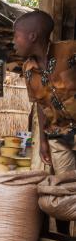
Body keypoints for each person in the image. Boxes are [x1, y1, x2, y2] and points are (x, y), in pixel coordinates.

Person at [14, 10, 76, 175]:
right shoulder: (27, 69)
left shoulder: (70, 52)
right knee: (66, 189)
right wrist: (43, 140)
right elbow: (40, 106)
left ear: (32, 36)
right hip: (57, 136)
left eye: (16, 36)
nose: (14, 42)